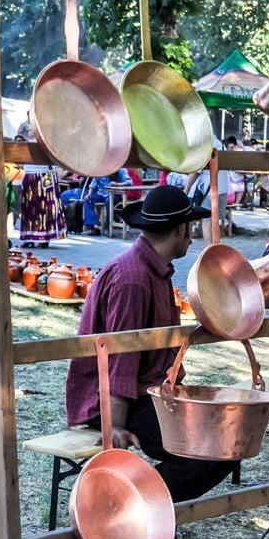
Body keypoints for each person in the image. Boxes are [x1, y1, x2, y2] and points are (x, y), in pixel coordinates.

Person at [65, 186, 237, 503]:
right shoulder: (132, 278)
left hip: (149, 393)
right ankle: (129, 508)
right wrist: (113, 425)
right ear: (181, 229)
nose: (192, 237)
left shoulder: (153, 270)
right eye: (191, 229)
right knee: (211, 450)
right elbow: (119, 361)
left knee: (227, 441)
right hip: (116, 401)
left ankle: (142, 505)